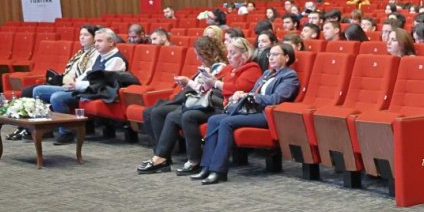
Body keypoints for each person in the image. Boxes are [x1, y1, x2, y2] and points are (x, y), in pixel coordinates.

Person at [138, 36, 259, 176]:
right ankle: (161, 157)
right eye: (228, 52)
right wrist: (206, 82)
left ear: (244, 54)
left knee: (188, 116)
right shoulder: (229, 68)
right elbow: (209, 86)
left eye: (233, 53)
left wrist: (214, 83)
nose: (228, 56)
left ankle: (193, 160)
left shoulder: (252, 69)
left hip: (226, 108)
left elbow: (238, 87)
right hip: (213, 103)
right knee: (173, 115)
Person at [190, 43, 300, 185]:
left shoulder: (289, 76)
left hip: (267, 115)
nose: (271, 58)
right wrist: (242, 94)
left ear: (287, 57)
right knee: (214, 120)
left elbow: (276, 99)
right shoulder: (268, 73)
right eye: (270, 54)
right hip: (253, 110)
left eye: (275, 54)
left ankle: (218, 171)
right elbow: (253, 91)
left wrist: (252, 97)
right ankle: (206, 167)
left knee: (226, 122)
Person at [48, 28, 128, 145]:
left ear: (111, 42)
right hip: (82, 88)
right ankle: (43, 128)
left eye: (100, 41)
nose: (96, 44)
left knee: (57, 97)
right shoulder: (100, 56)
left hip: (95, 92)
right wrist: (74, 82)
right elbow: (87, 73)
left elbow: (102, 82)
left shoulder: (116, 60)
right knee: (38, 91)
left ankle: (66, 133)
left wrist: (77, 85)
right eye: (95, 41)